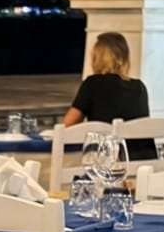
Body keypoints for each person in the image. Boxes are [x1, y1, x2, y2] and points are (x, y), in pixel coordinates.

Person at [63, 31, 155, 160]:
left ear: (97, 58)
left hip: (109, 166)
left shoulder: (93, 84)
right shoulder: (139, 87)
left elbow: (67, 125)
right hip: (144, 163)